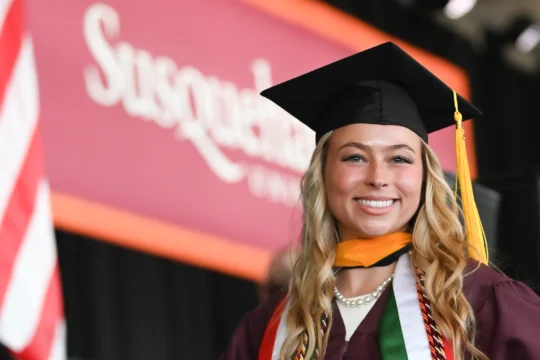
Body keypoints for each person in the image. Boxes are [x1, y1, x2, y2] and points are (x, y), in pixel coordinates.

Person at [219, 42, 540, 360]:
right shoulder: (271, 327)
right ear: (323, 173)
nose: (378, 177)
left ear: (425, 177)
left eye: (399, 159)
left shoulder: (479, 302)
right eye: (355, 157)